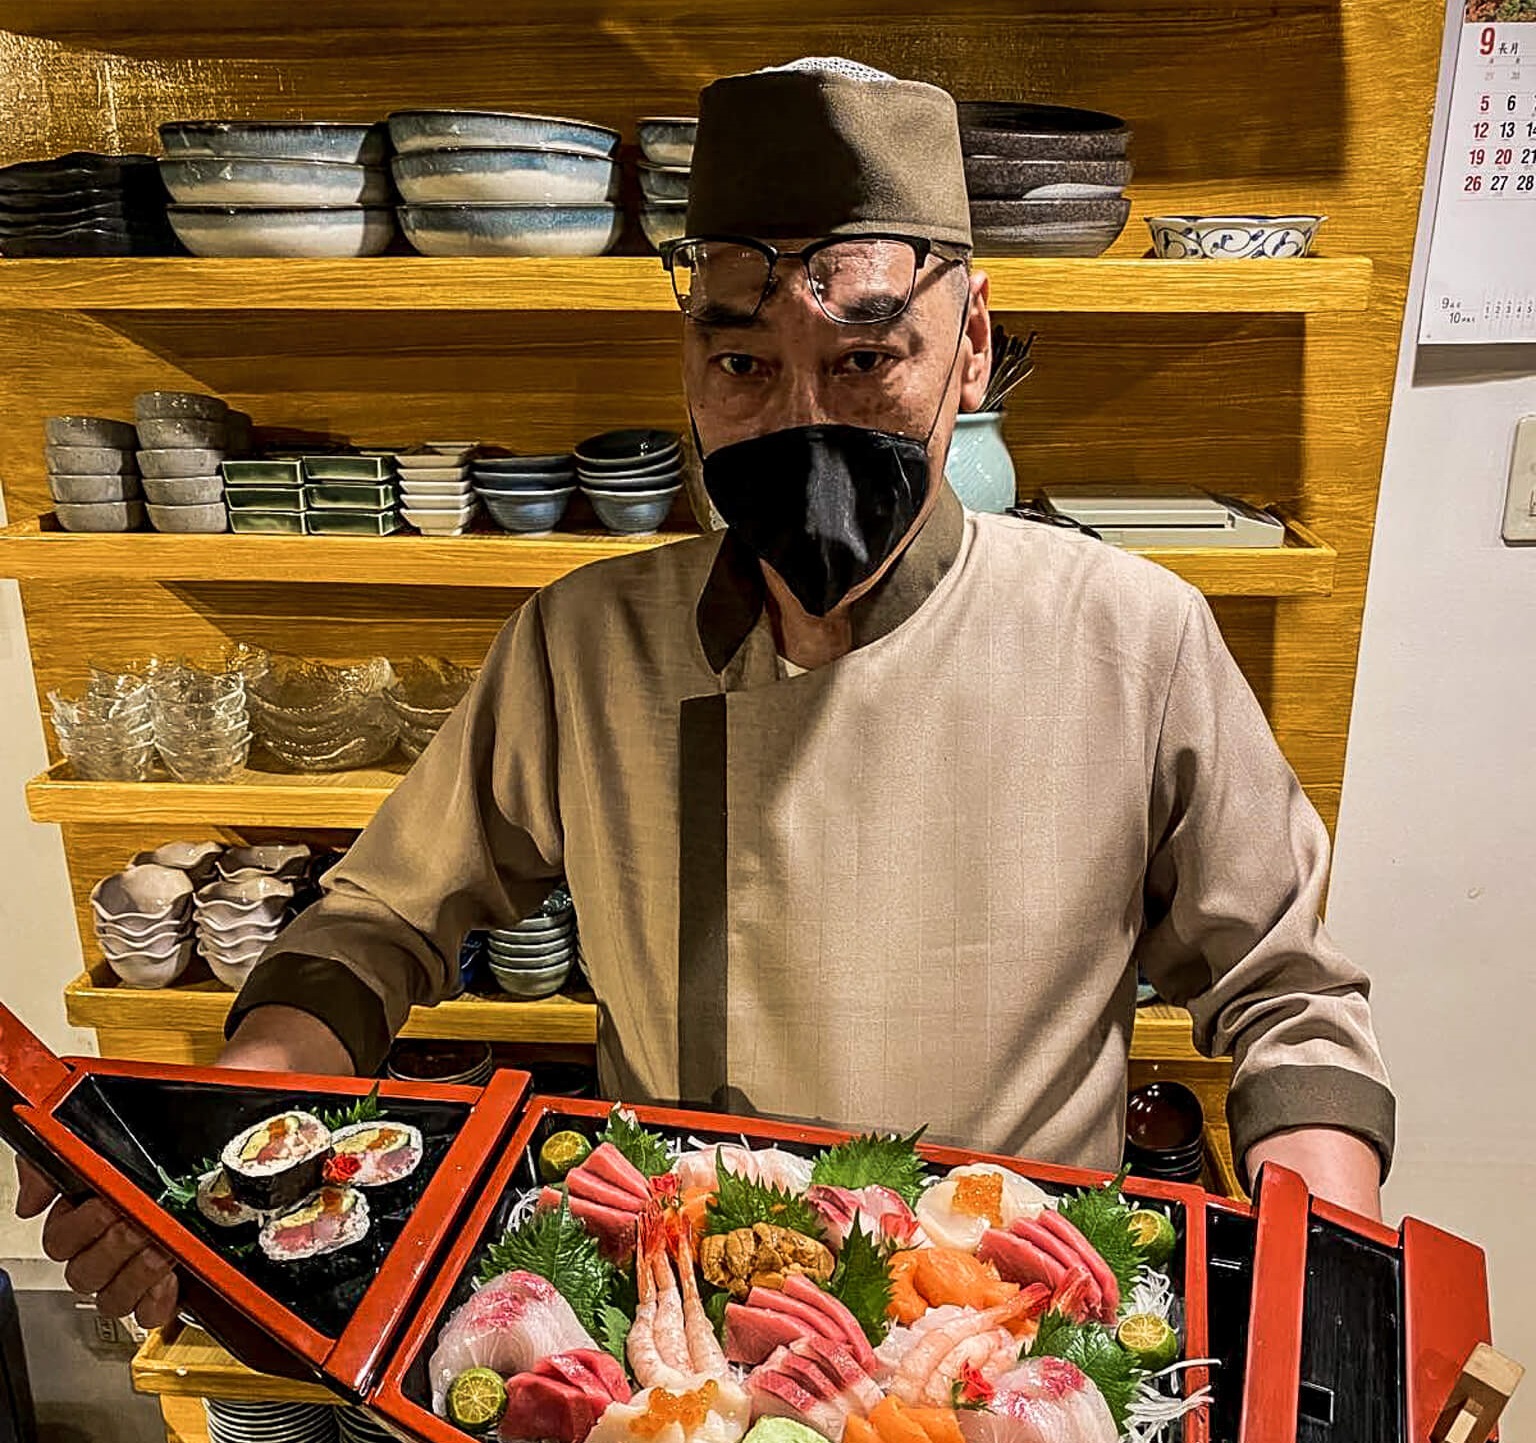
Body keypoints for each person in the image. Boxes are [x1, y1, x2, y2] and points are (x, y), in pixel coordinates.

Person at [18, 58, 1394, 1330]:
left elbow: (1286, 996)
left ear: (972, 344)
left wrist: (1333, 1289)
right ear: (686, 360)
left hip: (1000, 1325)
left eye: (865, 359)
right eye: (741, 362)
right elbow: (378, 923)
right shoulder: (586, 643)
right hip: (675, 1325)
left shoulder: (1132, 638)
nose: (799, 418)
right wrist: (232, 1129)